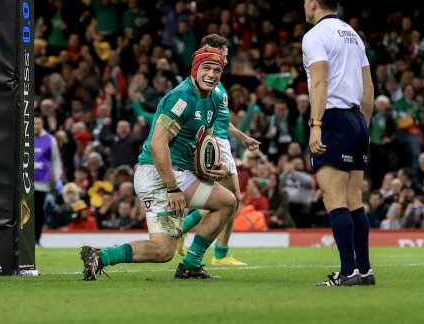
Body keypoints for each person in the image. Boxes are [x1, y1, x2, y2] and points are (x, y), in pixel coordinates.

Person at [80, 46, 236, 280]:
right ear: (195, 69)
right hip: (158, 174)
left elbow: (207, 142)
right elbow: (157, 144)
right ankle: (103, 256)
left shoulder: (213, 100)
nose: (212, 74)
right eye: (206, 68)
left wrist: (218, 164)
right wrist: (172, 188)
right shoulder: (181, 97)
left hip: (178, 171)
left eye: (217, 70)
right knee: (166, 248)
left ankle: (188, 264)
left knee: (223, 204)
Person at [302, 0, 374, 286]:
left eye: (305, 1)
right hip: (357, 118)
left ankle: (347, 273)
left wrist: (315, 125)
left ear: (315, 3)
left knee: (334, 199)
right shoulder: (354, 36)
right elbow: (368, 87)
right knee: (354, 198)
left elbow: (320, 83)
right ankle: (365, 270)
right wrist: (365, 126)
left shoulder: (315, 36)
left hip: (333, 119)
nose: (304, 6)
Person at [176, 34, 260, 266]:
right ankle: (218, 253)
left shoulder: (216, 82)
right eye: (218, 53)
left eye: (223, 55)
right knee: (229, 200)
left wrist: (242, 137)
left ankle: (188, 233)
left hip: (219, 140)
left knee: (228, 199)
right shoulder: (203, 82)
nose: (222, 58)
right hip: (213, 142)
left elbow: (222, 121)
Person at [34, 114, 64, 245]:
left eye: (38, 123)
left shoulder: (50, 139)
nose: (35, 126)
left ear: (42, 125)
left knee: (38, 211)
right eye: (33, 123)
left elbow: (56, 160)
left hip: (41, 182)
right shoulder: (23, 137)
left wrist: (57, 178)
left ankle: (36, 238)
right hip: (25, 182)